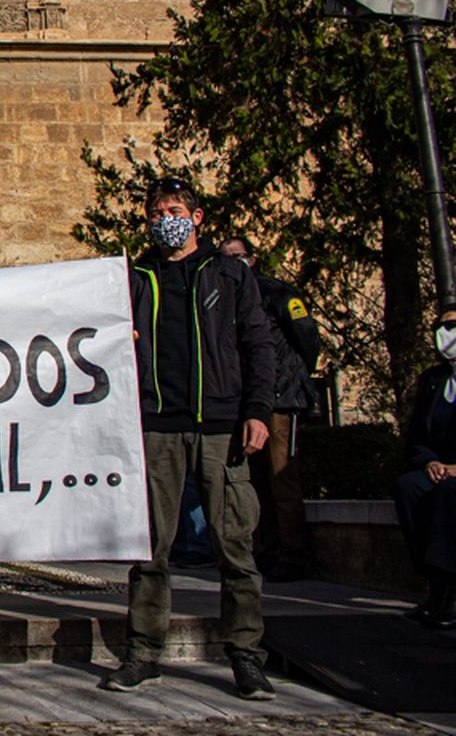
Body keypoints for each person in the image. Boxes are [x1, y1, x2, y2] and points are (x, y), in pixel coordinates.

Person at [103, 176, 277, 700]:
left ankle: (245, 655)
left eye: (174, 210)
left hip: (221, 424)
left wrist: (259, 411)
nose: (164, 220)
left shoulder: (228, 275)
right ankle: (144, 651)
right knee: (150, 546)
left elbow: (257, 344)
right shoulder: (135, 279)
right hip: (156, 424)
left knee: (234, 545)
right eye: (156, 213)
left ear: (197, 217)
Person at [220, 235, 321, 581]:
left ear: (253, 258)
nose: (234, 262)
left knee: (283, 480)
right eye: (226, 258)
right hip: (247, 402)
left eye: (239, 256)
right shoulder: (225, 297)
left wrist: (297, 377)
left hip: (280, 398)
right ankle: (266, 550)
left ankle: (293, 554)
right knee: (256, 482)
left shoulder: (275, 292)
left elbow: (305, 334)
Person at [393, 307, 456, 629]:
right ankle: (435, 584)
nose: (447, 333)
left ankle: (451, 591)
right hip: (440, 468)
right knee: (409, 487)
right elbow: (417, 434)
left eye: (454, 326)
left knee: (447, 492)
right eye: (443, 326)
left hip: (454, 476)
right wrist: (429, 462)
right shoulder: (434, 379)